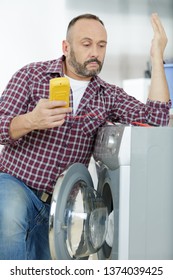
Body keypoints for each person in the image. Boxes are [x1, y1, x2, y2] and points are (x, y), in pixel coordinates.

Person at [0, 13, 171, 260]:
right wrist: (31, 120)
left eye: (102, 45)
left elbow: (156, 119)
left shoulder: (108, 95)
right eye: (87, 43)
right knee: (8, 213)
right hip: (17, 184)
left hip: (63, 206)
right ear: (66, 47)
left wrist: (157, 58)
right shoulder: (31, 76)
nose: (96, 52)